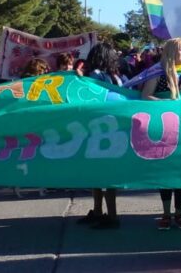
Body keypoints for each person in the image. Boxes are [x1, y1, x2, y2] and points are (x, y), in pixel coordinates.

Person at [141, 38, 181, 230]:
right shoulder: (157, 71)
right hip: (163, 126)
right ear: (172, 52)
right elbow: (146, 96)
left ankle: (179, 213)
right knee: (166, 169)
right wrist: (166, 104)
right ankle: (165, 213)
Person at [81, 43, 123, 230]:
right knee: (104, 174)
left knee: (100, 174)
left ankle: (109, 215)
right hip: (115, 127)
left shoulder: (95, 76)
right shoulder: (117, 77)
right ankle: (101, 211)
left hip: (97, 127)